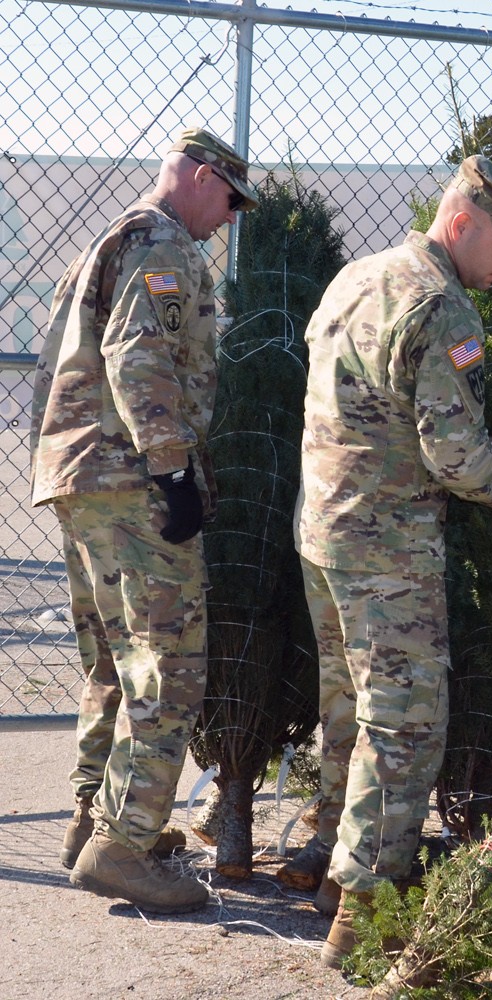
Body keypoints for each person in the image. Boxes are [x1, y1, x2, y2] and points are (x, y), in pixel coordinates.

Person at [291, 154, 492, 968]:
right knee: (405, 726)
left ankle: (329, 868)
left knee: (348, 707)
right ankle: (365, 915)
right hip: (389, 552)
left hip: (323, 535)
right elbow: (454, 457)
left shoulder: (356, 276)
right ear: (462, 222)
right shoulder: (443, 309)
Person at [30, 127, 261, 913]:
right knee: (171, 663)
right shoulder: (161, 244)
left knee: (112, 662)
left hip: (79, 478)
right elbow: (138, 358)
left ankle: (91, 824)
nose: (228, 217)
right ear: (199, 178)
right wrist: (171, 470)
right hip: (131, 480)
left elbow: (56, 367)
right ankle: (124, 848)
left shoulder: (105, 242)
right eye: (228, 198)